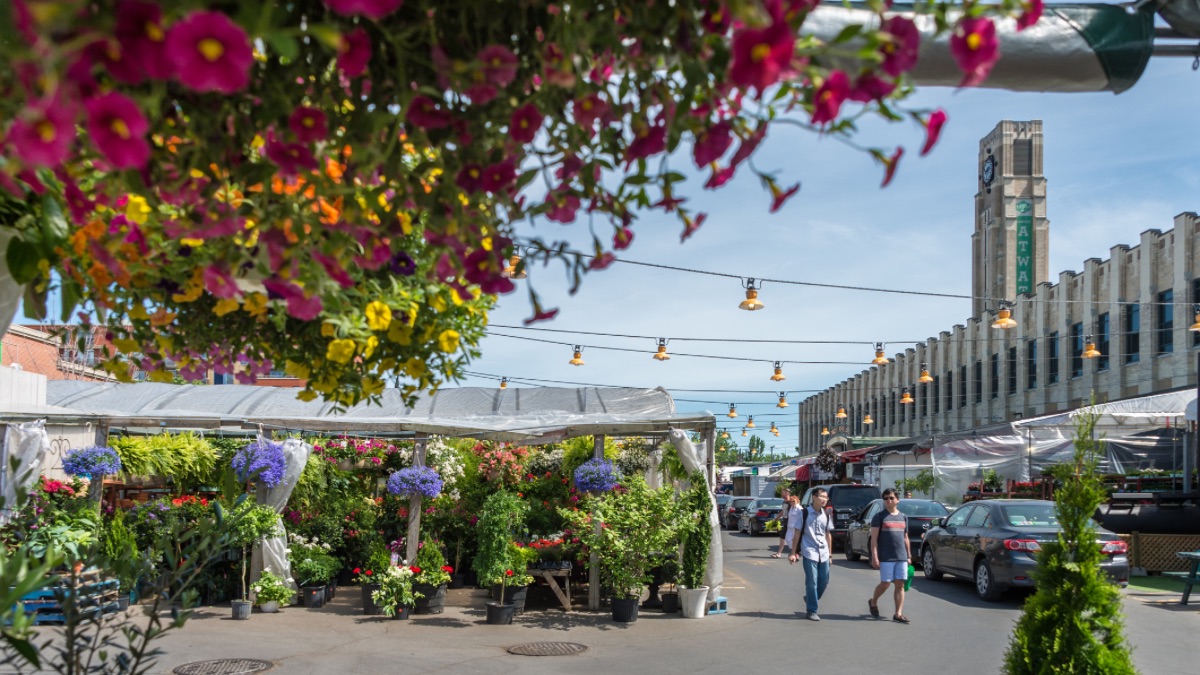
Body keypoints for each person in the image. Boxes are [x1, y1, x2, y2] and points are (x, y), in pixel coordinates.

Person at [869, 488, 912, 623]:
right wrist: (875, 557)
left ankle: (898, 613)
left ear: (897, 500)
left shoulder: (903, 517)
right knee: (885, 583)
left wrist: (909, 555)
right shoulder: (879, 517)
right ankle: (873, 601)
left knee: (899, 584)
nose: (889, 500)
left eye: (891, 498)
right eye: (886, 498)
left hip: (901, 556)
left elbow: (905, 537)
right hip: (886, 556)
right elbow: (874, 539)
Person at [788, 488, 832, 621]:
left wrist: (830, 554)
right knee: (812, 581)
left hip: (823, 552)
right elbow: (797, 533)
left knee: (824, 581)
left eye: (826, 497)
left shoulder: (827, 514)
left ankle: (809, 598)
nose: (824, 499)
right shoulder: (804, 513)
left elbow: (828, 534)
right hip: (809, 551)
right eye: (821, 497)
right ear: (814, 497)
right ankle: (812, 610)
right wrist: (793, 552)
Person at [771, 488, 792, 558]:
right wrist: (777, 518)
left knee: (790, 538)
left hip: (791, 523)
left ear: (788, 493)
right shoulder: (784, 502)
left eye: (784, 493)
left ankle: (794, 553)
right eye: (782, 493)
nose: (782, 494)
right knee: (782, 537)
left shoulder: (791, 502)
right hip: (785, 522)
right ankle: (779, 553)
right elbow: (783, 511)